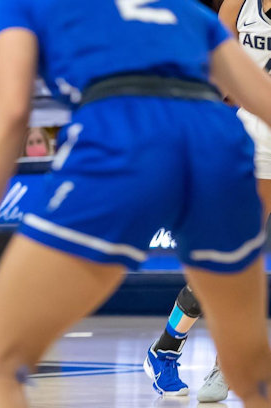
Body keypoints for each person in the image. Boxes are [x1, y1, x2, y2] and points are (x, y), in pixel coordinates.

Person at [0, 1, 271, 407]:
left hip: (121, 135)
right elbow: (261, 98)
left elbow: (13, 113)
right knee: (252, 373)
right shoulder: (181, 7)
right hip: (217, 142)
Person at [143, 0, 271, 402]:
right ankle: (184, 351)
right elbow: (217, 69)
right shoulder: (239, 3)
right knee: (228, 259)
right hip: (251, 139)